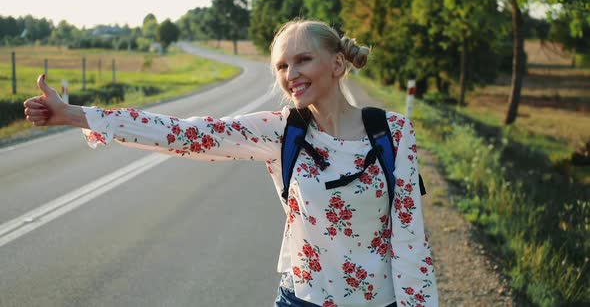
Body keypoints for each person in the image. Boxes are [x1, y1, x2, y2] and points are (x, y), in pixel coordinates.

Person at [24, 19, 438, 307]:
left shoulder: (392, 133)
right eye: (281, 65)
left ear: (337, 64)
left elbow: (410, 241)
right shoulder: (281, 132)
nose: (290, 73)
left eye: (303, 60)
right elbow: (185, 134)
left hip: (379, 301)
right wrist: (77, 114)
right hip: (303, 300)